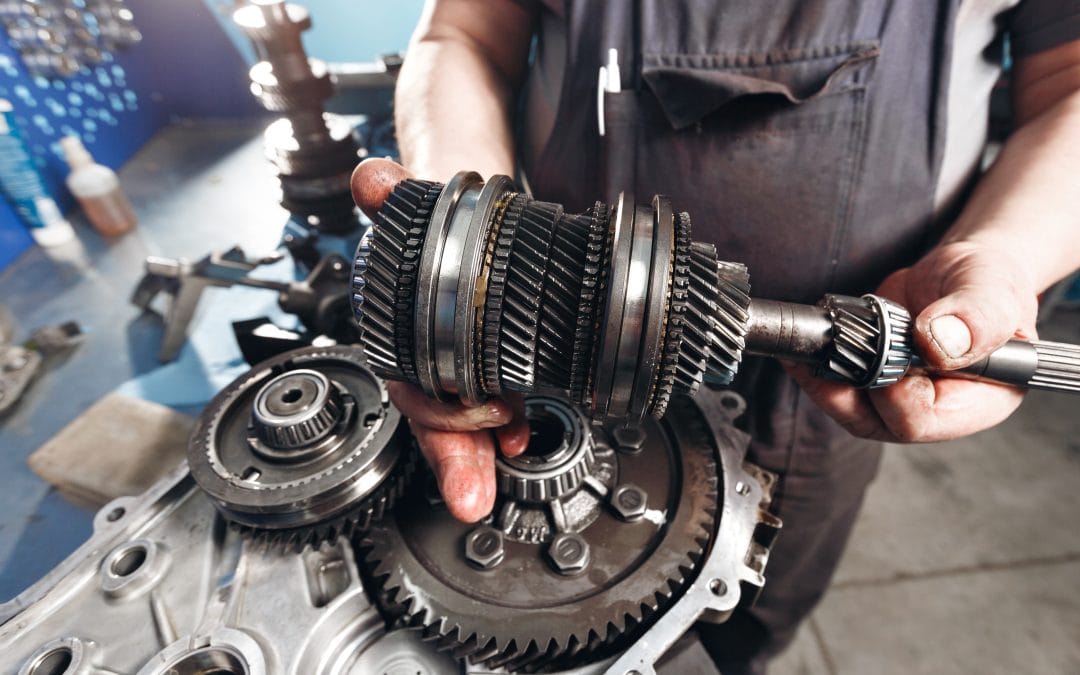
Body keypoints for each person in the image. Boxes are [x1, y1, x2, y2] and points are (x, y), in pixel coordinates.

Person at [351, 1, 1080, 671]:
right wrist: (469, 269)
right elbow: (465, 35)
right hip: (548, 351)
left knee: (744, 623)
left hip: (828, 395)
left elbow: (1069, 78)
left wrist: (1003, 256)